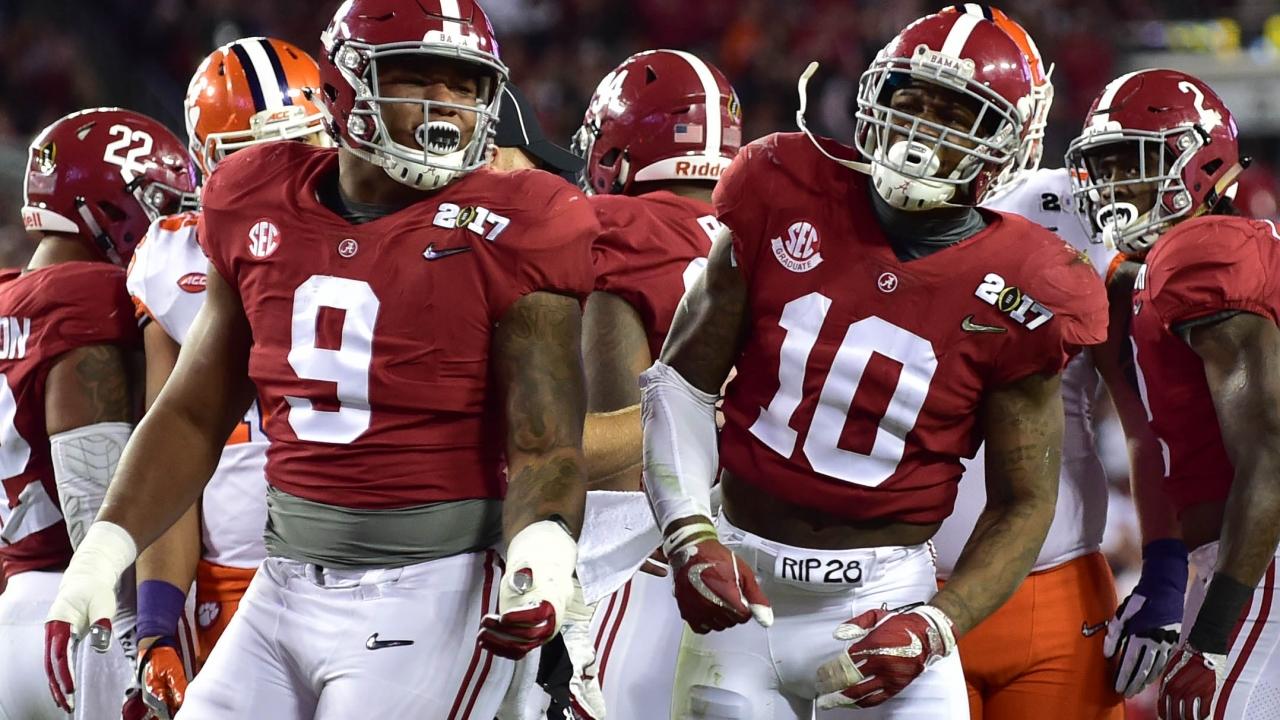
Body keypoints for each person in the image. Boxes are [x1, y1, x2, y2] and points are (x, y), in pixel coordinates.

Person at [42, 1, 599, 718]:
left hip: (432, 587)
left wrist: (542, 558)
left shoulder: (518, 220)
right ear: (344, 85)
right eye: (417, 77)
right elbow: (192, 412)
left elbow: (545, 441)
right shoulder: (256, 198)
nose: (448, 104)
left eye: (466, 84)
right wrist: (104, 551)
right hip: (281, 582)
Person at [641, 11, 1109, 718]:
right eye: (910, 101)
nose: (922, 129)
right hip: (742, 581)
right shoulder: (782, 185)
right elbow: (682, 382)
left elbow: (1024, 500)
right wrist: (687, 530)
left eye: (955, 115)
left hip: (885, 599)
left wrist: (939, 622)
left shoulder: (1031, 281)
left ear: (1005, 141)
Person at [930, 6, 1150, 719]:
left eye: (966, 110)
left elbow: (1145, 413)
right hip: (897, 581)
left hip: (1054, 587)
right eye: (924, 105)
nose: (939, 131)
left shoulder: (1066, 208)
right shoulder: (851, 216)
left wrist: (1168, 558)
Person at [120, 36, 331, 719]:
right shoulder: (174, 261)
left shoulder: (384, 237)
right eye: (252, 155)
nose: (280, 174)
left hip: (365, 564)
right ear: (209, 164)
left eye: (298, 146)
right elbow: (172, 453)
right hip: (230, 581)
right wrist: (156, 625)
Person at [1067, 68, 1280, 720]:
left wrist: (1212, 638)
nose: (1114, 186)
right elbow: (1150, 438)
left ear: (1202, 161)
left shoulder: (1204, 253)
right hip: (1237, 558)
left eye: (1134, 163)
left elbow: (1272, 455)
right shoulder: (1153, 271)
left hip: (1261, 564)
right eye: (1103, 167)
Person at [0, 107, 197, 719]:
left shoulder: (8, 293)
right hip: (83, 620)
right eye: (160, 203)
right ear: (108, 206)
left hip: (17, 605)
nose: (173, 220)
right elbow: (97, 498)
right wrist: (139, 635)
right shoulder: (87, 293)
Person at [565, 48, 743, 720]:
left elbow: (606, 467)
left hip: (639, 561)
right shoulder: (772, 233)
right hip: (758, 554)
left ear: (617, 150)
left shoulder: (612, 231)